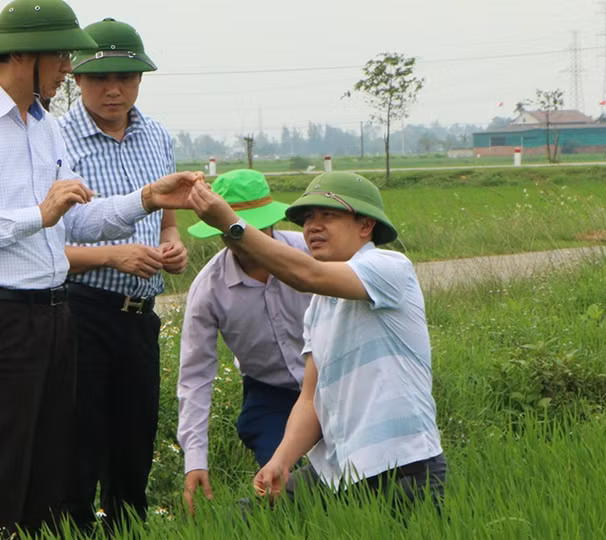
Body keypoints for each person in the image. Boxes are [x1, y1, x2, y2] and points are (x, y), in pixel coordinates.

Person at [0, 2, 199, 538]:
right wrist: (36, 215)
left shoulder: (42, 127)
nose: (69, 68)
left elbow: (78, 221)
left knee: (50, 487)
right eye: (62, 56)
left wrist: (145, 198)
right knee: (3, 485)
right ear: (24, 55)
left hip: (55, 318)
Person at [188, 171, 447, 513]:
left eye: (329, 215)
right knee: (248, 516)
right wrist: (281, 461)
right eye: (308, 217)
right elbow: (311, 397)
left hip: (403, 466)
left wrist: (232, 224)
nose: (313, 226)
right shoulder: (318, 306)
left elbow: (305, 273)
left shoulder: (389, 267)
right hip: (340, 469)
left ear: (365, 226)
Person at [56, 17, 188, 532]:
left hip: (139, 317)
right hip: (79, 309)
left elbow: (169, 221)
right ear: (77, 80)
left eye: (126, 78)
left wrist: (172, 246)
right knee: (79, 445)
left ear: (140, 80)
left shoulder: (156, 135)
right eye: (99, 78)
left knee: (134, 446)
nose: (114, 90)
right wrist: (113, 256)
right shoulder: (56, 138)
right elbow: (42, 245)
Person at [177, 169, 313, 515]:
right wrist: (195, 459)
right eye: (235, 231)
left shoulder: (310, 256)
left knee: (360, 476)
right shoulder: (209, 289)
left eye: (257, 227)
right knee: (284, 488)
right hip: (270, 393)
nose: (247, 239)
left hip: (332, 382)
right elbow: (195, 376)